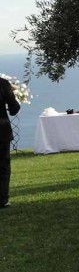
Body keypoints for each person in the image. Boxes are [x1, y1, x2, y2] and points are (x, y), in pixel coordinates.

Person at [0, 75, 21, 208]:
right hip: (1, 131)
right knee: (3, 166)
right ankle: (2, 199)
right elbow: (14, 108)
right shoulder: (2, 83)